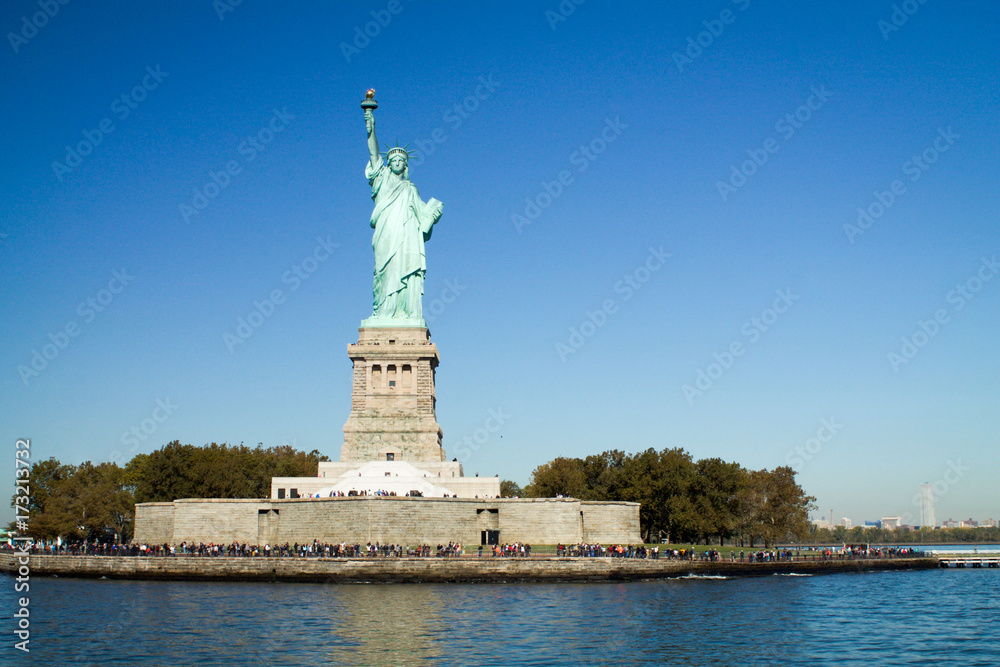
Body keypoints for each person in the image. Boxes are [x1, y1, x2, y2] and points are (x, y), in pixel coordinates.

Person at [363, 104, 443, 321]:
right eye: (393, 161)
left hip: (406, 238)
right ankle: (383, 312)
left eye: (401, 161)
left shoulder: (410, 189)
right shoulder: (382, 179)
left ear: (406, 166)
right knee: (384, 271)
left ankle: (403, 311)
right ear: (388, 164)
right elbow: (373, 152)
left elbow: (423, 214)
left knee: (404, 269)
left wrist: (434, 213)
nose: (397, 163)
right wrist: (371, 125)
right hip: (386, 233)